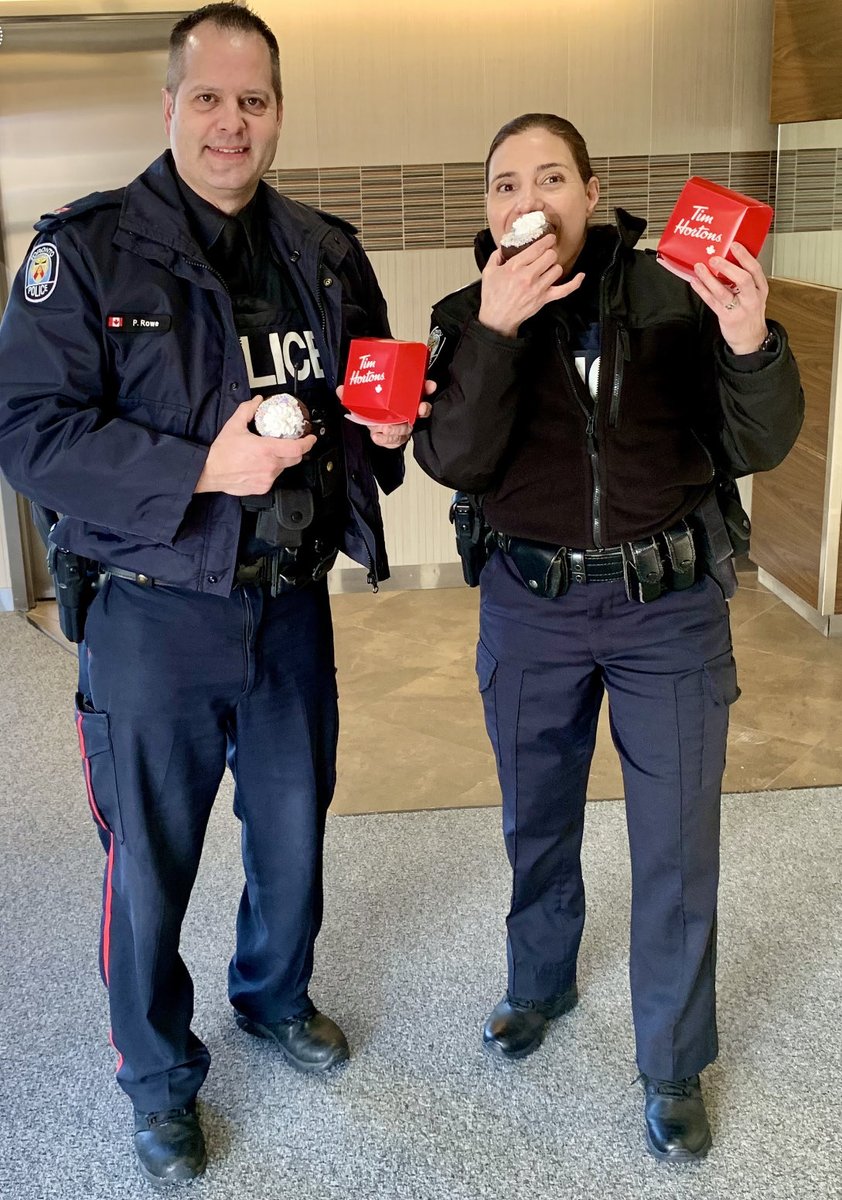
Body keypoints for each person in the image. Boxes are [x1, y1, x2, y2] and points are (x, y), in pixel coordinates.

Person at [0, 3, 428, 1187]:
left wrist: (387, 431)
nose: (230, 123)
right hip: (150, 619)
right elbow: (29, 433)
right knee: (149, 864)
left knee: (290, 843)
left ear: (277, 112)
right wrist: (197, 466)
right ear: (171, 106)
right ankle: (155, 1075)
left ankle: (274, 998)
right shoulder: (84, 251)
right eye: (208, 98)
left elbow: (363, 412)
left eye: (253, 101)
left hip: (289, 611)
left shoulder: (325, 251)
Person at [413, 113, 803, 1162]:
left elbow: (759, 436)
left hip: (665, 612)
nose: (525, 197)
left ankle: (671, 1063)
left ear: (591, 193)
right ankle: (535, 985)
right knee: (535, 819)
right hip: (529, 608)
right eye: (503, 184)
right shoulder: (462, 314)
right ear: (488, 209)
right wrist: (493, 334)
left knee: (673, 843)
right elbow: (451, 459)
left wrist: (747, 341)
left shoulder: (680, 296)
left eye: (548, 176)